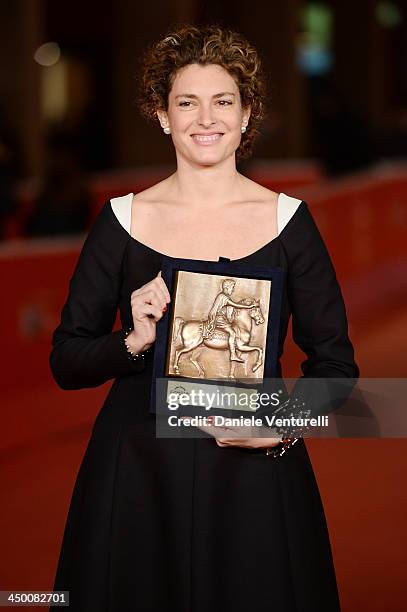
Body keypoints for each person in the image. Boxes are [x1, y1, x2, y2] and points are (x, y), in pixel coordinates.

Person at [49, 24, 359, 611]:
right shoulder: (121, 221)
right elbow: (67, 361)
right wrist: (132, 340)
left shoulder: (289, 222)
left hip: (256, 474)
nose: (204, 118)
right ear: (162, 115)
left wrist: (283, 423)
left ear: (247, 116)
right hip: (138, 472)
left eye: (223, 101)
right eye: (186, 102)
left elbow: (337, 368)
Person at [202, 278, 253, 361]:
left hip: (220, 318)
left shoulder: (221, 296)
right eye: (232, 288)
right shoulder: (223, 297)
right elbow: (235, 305)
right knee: (232, 333)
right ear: (227, 287)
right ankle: (233, 355)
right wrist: (248, 307)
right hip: (219, 319)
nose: (232, 290)